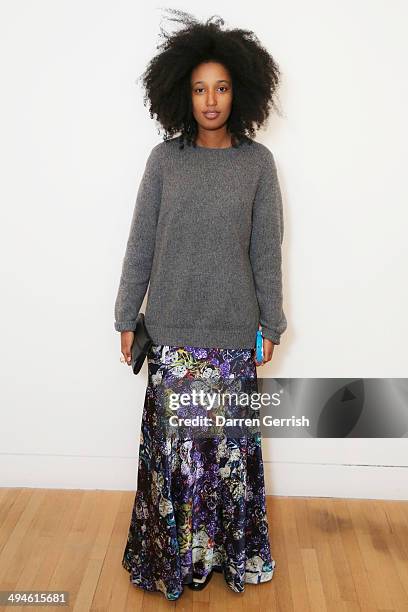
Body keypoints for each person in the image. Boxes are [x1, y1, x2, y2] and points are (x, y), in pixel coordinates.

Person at [114, 9, 287, 601]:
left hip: (234, 336)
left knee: (226, 460)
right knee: (177, 460)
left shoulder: (257, 165)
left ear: (239, 92)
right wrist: (124, 317)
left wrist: (273, 322)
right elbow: (140, 243)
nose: (210, 100)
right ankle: (178, 558)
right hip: (171, 333)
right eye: (198, 89)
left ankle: (224, 556)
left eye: (220, 87)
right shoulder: (164, 161)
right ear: (181, 94)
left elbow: (267, 251)